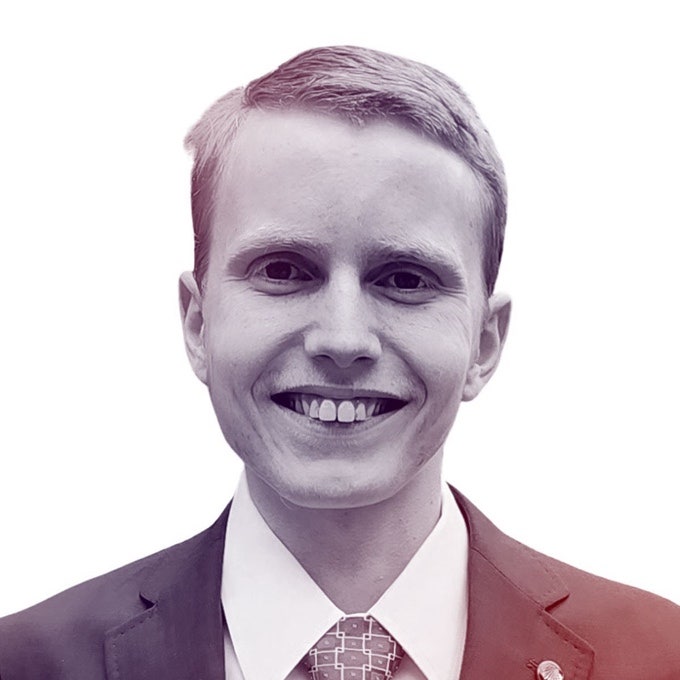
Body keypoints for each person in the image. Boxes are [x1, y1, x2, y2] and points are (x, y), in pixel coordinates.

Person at [0, 45, 678, 680]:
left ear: (485, 342)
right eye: (284, 270)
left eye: (405, 279)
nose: (343, 337)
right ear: (198, 322)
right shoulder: (26, 662)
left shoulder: (659, 656)